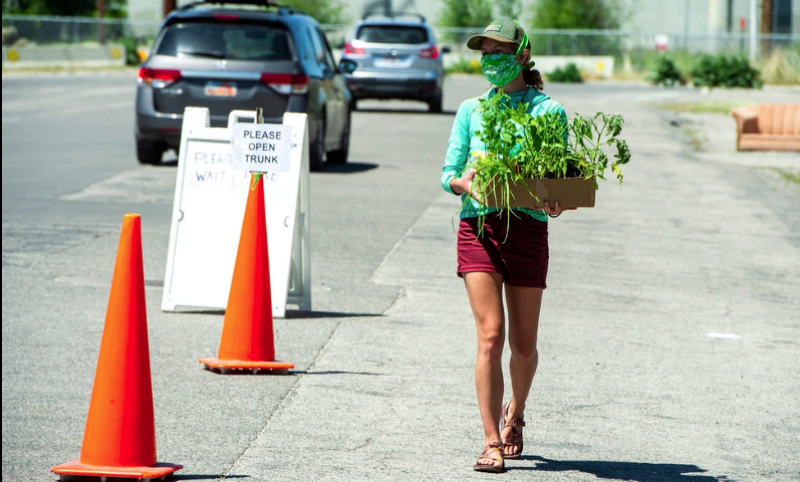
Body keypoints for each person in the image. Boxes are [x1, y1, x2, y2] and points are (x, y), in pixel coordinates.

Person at [440, 19, 572, 473]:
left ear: (521, 54)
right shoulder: (471, 110)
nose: (490, 58)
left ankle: (515, 415)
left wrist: (556, 200)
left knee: (524, 346)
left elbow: (559, 180)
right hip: (478, 226)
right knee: (491, 337)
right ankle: (491, 441)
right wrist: (463, 183)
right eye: (484, 51)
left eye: (500, 50)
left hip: (528, 229)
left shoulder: (548, 111)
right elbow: (448, 173)